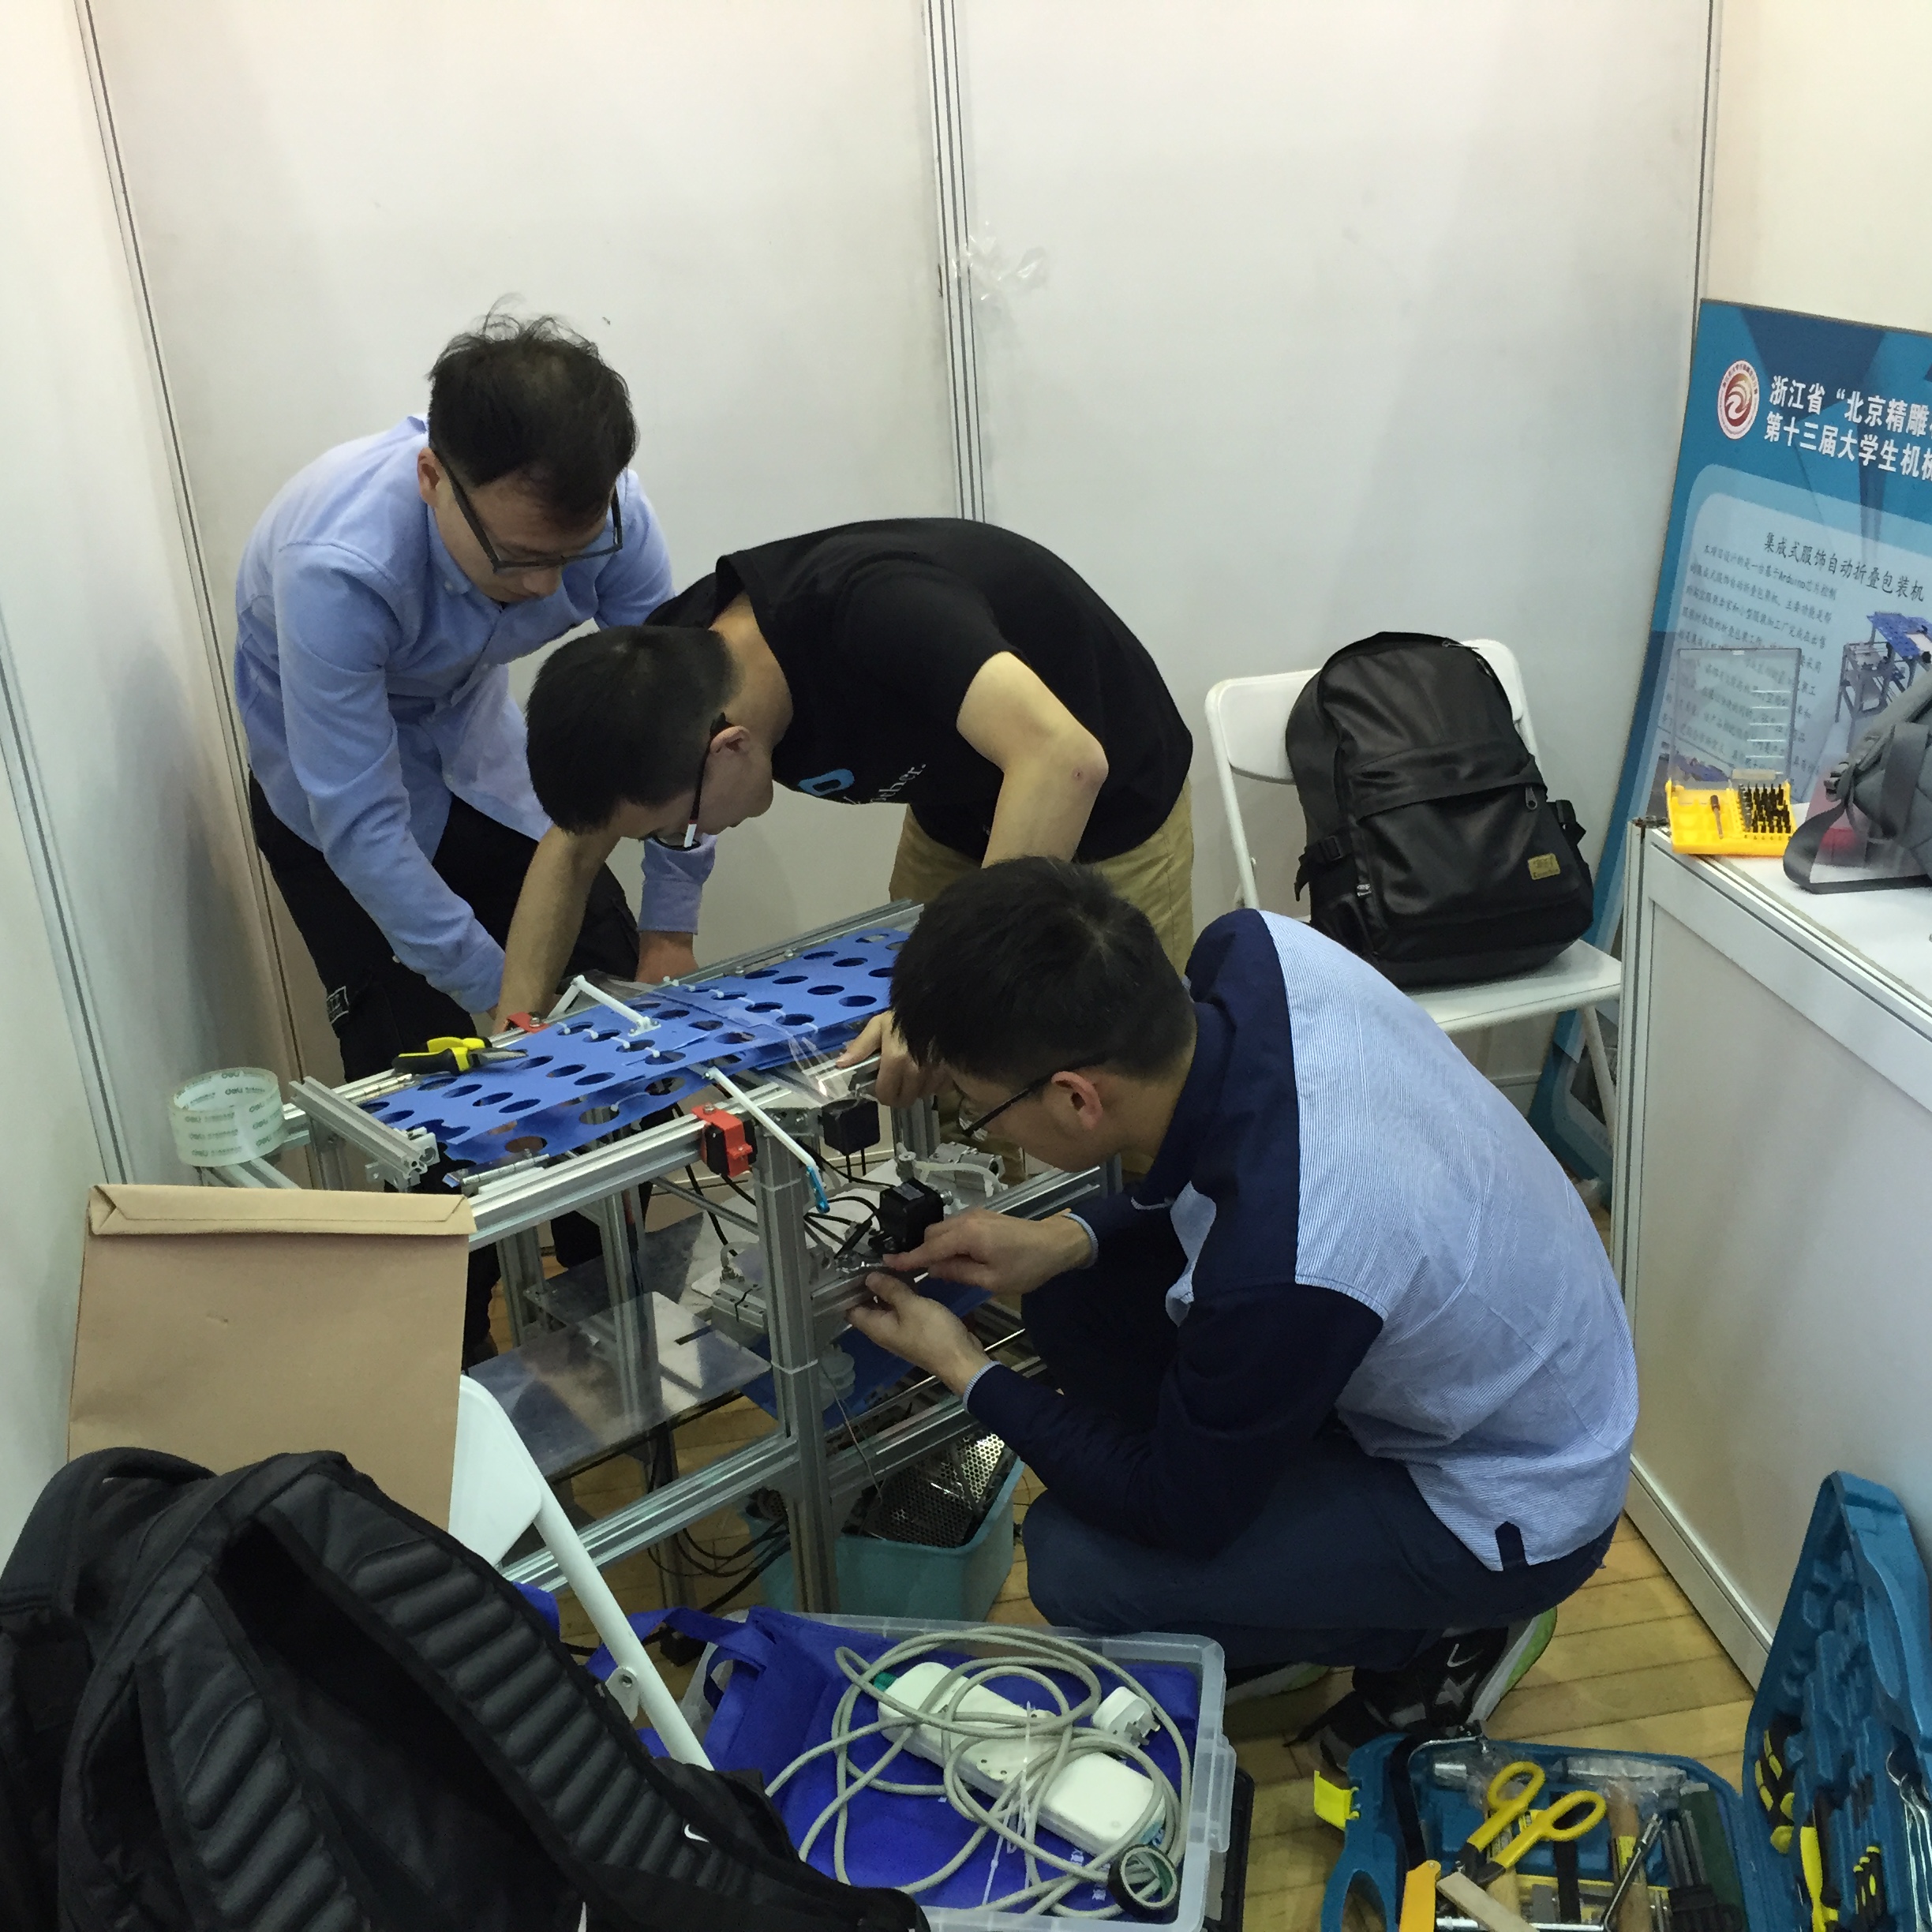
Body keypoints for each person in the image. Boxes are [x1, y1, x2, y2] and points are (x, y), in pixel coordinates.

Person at [842, 858, 1637, 1770]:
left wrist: (961, 1365)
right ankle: (1289, 1591)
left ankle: (1444, 1633)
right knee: (1077, 1302)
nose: (983, 1126)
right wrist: (1067, 1240)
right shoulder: (1256, 954)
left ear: (1075, 1096)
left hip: (1514, 1497)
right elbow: (1221, 1159)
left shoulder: (1290, 1259)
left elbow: (1174, 1509)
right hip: (1500, 1343)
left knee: (1076, 1562)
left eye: (981, 1112)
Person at [235, 312, 713, 1358]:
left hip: (482, 766)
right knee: (428, 1098)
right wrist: (500, 999)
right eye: (518, 558)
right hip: (335, 810)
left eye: (569, 557)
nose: (546, 587)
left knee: (607, 1018)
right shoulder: (338, 564)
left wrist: (670, 927)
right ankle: (456, 1376)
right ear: (432, 479)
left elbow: (678, 731)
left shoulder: (613, 517)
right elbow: (363, 819)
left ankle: (615, 1323)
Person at [511, 519, 1194, 1097]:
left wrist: (952, 990)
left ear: (730, 747)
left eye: (678, 830)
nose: (692, 838)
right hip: (960, 806)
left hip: (1105, 799)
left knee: (1113, 1081)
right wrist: (515, 1051)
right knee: (931, 1077)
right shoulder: (662, 676)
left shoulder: (873, 611)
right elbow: (571, 848)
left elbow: (1064, 759)